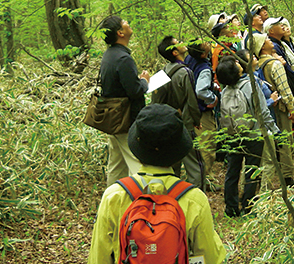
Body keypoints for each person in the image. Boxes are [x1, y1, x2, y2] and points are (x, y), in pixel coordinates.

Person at [88, 104, 226, 264]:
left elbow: (99, 257)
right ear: (178, 152)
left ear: (137, 150)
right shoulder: (195, 200)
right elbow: (210, 257)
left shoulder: (114, 196)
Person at [216, 55, 279, 217]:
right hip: (254, 134)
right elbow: (262, 110)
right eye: (235, 63)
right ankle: (248, 206)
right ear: (236, 71)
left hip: (233, 136)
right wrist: (275, 130)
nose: (238, 62)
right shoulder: (250, 85)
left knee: (232, 171)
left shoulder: (225, 90)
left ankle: (230, 207)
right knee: (252, 171)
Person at [98, 16, 150, 186]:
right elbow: (135, 91)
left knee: (116, 164)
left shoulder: (109, 55)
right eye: (125, 23)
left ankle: (112, 203)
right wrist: (144, 81)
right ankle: (144, 203)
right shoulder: (123, 58)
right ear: (120, 33)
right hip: (126, 120)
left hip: (113, 118)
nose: (128, 23)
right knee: (138, 162)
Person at [152, 36, 204, 189]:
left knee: (171, 165)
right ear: (175, 52)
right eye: (178, 42)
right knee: (195, 164)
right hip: (184, 125)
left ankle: (170, 198)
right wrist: (196, 120)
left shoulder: (161, 72)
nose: (183, 42)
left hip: (167, 124)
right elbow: (191, 100)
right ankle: (197, 196)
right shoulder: (185, 72)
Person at [251, 33, 294, 187]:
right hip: (281, 108)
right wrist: (292, 108)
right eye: (266, 40)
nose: (270, 40)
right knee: (285, 140)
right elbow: (285, 89)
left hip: (267, 109)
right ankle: (287, 176)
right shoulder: (275, 64)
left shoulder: (257, 65)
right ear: (262, 46)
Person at [185, 40, 219, 191]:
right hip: (202, 112)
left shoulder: (188, 60)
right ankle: (205, 181)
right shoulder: (204, 68)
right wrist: (212, 98)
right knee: (207, 145)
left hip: (189, 108)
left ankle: (198, 178)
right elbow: (200, 91)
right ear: (204, 54)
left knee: (197, 145)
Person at [263, 16, 294, 123]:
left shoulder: (279, 44)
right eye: (278, 24)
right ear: (271, 30)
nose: (282, 25)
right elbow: (285, 68)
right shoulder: (274, 46)